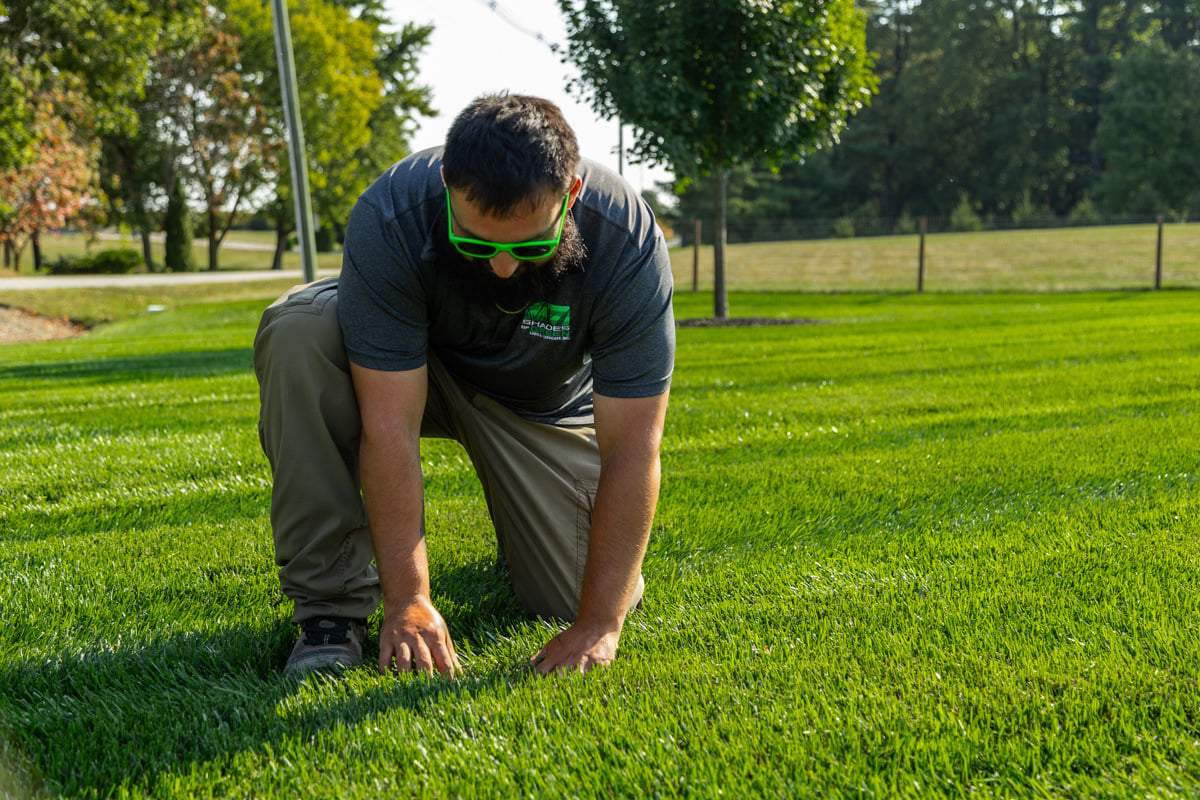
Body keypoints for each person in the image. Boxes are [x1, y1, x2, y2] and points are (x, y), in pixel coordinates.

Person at [253, 94, 675, 678]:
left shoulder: (626, 238)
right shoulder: (392, 211)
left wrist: (599, 624)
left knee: (574, 595)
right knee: (300, 331)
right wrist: (409, 600)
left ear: (570, 196)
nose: (503, 266)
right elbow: (389, 427)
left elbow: (634, 446)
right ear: (449, 186)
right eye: (477, 244)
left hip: (534, 405)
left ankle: (523, 536)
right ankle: (331, 609)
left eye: (530, 246)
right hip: (409, 372)